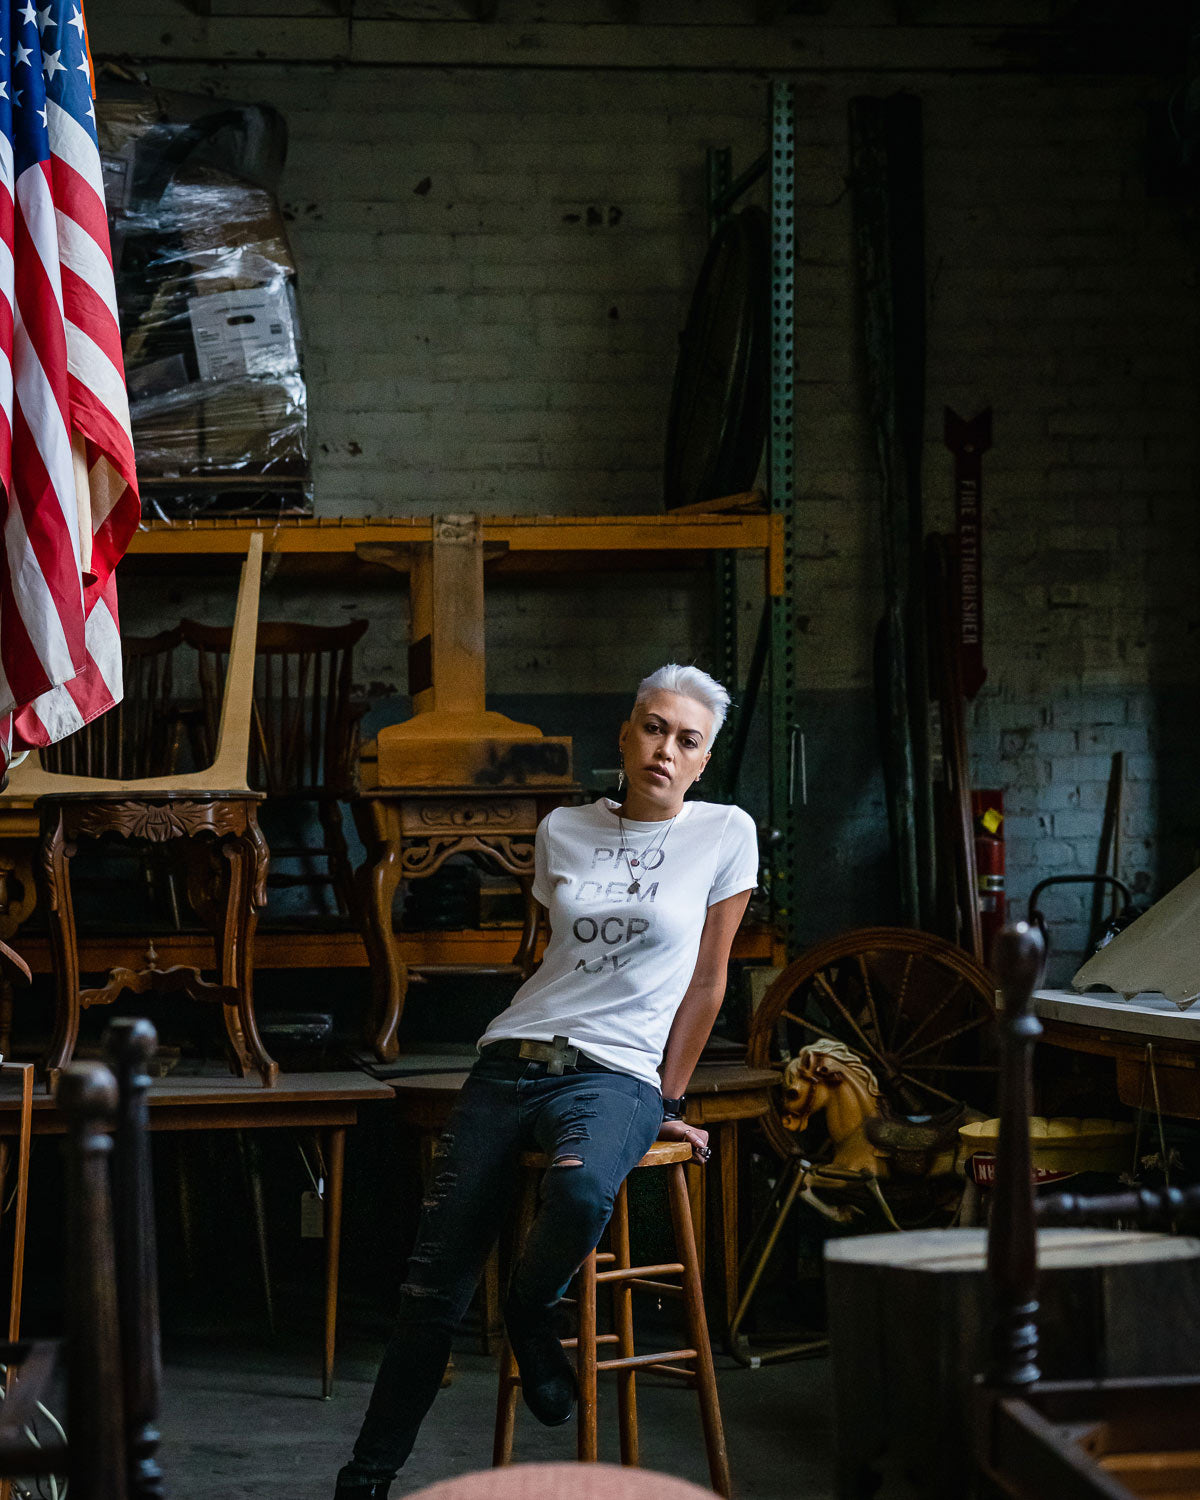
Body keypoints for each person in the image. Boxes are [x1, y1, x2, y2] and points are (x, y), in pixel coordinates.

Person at [334, 664, 759, 1498]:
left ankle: (532, 1310)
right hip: (513, 1057)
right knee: (432, 1288)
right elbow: (555, 960)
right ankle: (365, 1478)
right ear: (626, 732)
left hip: (617, 1074)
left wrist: (663, 1103)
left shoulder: (724, 833)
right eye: (652, 727)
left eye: (686, 740)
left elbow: (709, 982)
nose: (664, 749)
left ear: (704, 759)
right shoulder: (563, 828)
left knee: (577, 1196)